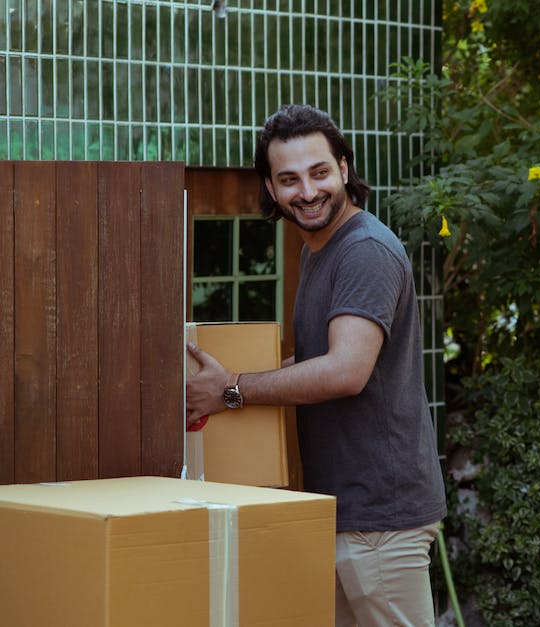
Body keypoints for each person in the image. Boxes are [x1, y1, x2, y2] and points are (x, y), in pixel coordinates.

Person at [185, 104, 447, 627]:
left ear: (344, 169)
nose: (307, 192)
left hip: (380, 518)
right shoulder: (318, 251)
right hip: (344, 509)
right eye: (289, 179)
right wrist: (223, 380)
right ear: (271, 187)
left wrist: (233, 388)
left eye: (319, 172)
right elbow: (315, 359)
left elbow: (345, 371)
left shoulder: (364, 251)